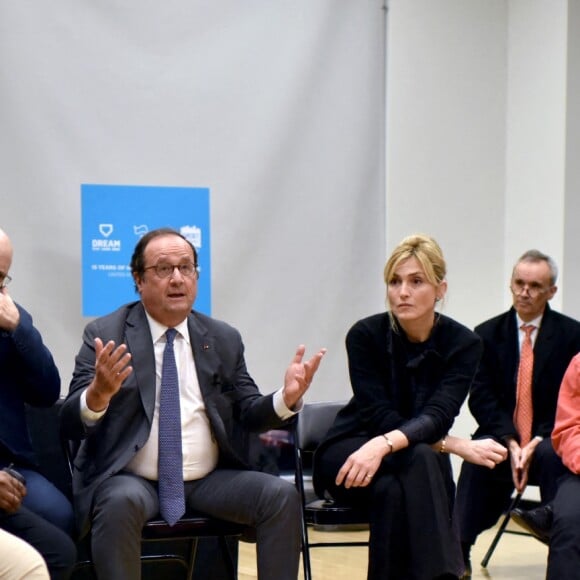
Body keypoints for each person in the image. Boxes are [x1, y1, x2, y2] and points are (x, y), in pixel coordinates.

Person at [60, 227, 326, 580]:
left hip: (209, 479)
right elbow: (67, 421)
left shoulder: (221, 338)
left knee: (279, 495)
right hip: (132, 479)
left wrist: (286, 398)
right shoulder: (107, 334)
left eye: (186, 268)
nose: (177, 278)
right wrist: (98, 395)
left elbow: (248, 411)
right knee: (119, 501)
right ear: (138, 280)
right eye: (163, 269)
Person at [312, 233, 496, 580]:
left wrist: (387, 446)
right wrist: (451, 445)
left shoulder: (464, 344)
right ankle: (447, 573)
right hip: (352, 450)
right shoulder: (365, 335)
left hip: (398, 457)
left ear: (440, 289)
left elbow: (439, 415)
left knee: (395, 490)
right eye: (394, 281)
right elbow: (379, 416)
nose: (403, 292)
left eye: (416, 281)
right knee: (426, 457)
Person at [454, 249, 580, 576]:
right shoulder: (484, 334)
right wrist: (511, 441)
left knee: (558, 456)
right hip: (503, 433)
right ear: (511, 284)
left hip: (549, 436)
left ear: (552, 291)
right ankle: (458, 550)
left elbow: (570, 401)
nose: (524, 292)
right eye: (519, 283)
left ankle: (559, 536)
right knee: (479, 454)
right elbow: (480, 397)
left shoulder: (572, 335)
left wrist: (537, 439)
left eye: (535, 286)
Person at [0, 227, 76, 578]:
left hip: (14, 466)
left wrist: (20, 330)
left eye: (1, 278)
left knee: (59, 517)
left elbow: (47, 392)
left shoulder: (12, 319)